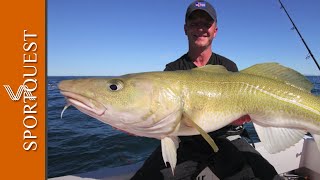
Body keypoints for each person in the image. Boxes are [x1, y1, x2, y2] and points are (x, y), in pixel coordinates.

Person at [131, 1, 279, 179]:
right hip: (186, 144)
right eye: (194, 23)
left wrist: (239, 119)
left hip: (226, 139)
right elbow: (163, 117)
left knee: (266, 175)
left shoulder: (228, 66)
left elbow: (241, 110)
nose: (200, 28)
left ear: (215, 31)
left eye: (206, 24)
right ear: (185, 29)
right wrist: (139, 125)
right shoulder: (172, 69)